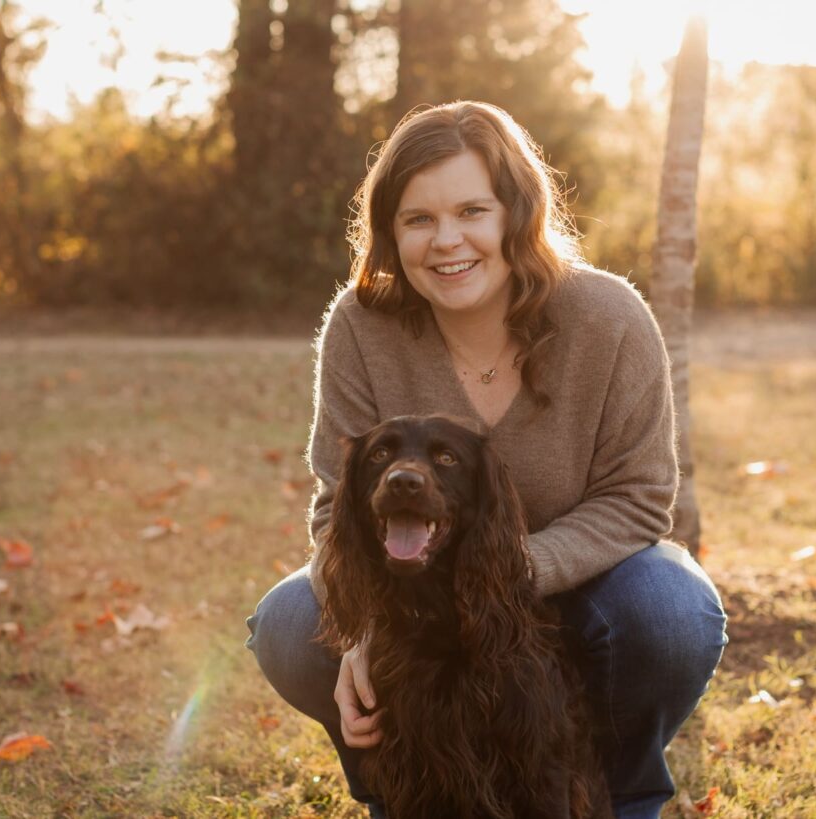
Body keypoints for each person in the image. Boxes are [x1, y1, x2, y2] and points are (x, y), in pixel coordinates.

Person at [246, 100, 728, 819]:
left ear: (516, 214)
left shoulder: (609, 317)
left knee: (670, 609)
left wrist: (504, 571)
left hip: (583, 585)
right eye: (418, 219)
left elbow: (639, 497)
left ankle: (617, 801)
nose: (447, 241)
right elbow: (336, 505)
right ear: (390, 232)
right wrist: (362, 629)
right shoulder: (361, 324)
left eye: (472, 210)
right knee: (290, 622)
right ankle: (405, 792)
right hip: (418, 595)